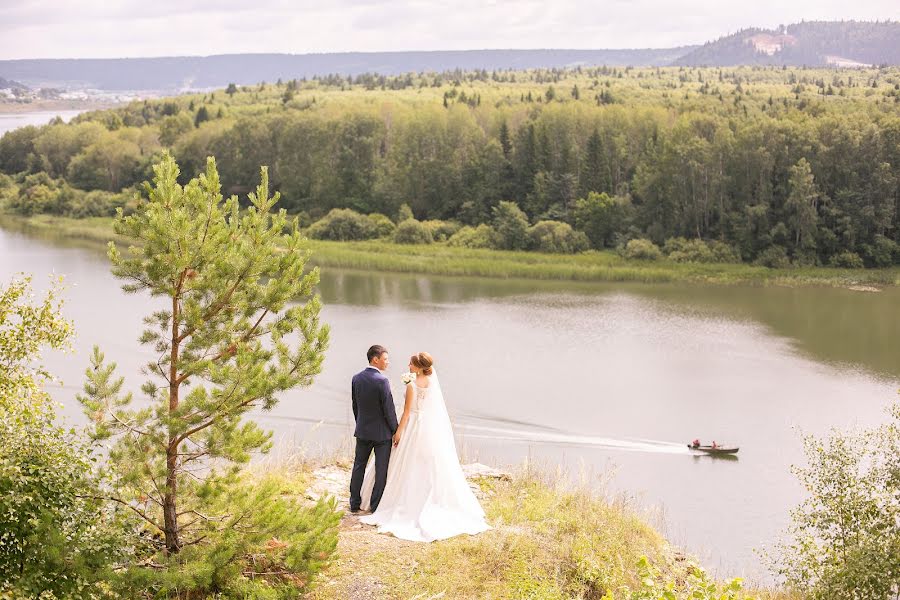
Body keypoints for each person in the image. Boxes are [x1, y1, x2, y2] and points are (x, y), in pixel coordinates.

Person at [359, 352, 490, 542]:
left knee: (405, 461)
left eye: (411, 363)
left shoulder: (412, 385)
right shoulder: (430, 381)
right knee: (424, 462)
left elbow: (406, 413)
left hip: (413, 425)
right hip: (428, 427)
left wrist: (398, 432)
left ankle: (399, 501)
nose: (408, 365)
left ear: (418, 367)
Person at [348, 345, 398, 514]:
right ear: (375, 359)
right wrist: (395, 430)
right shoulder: (382, 381)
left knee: (358, 466)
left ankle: (354, 503)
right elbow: (388, 409)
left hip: (362, 430)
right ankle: (375, 506)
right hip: (381, 434)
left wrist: (360, 423)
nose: (387, 362)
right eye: (385, 359)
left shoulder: (356, 378)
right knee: (381, 469)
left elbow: (355, 406)